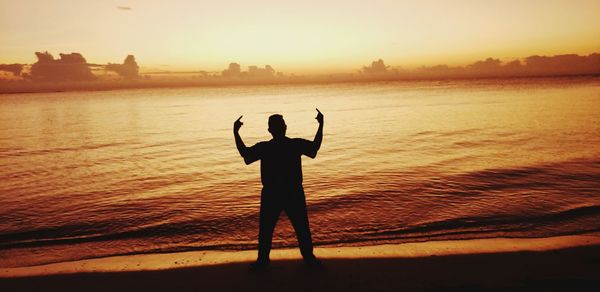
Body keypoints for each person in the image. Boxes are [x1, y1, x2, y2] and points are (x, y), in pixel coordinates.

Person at [233, 109, 324, 270]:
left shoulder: (266, 147)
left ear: (270, 130)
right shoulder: (293, 144)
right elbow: (314, 149)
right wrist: (321, 125)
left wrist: (235, 133)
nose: (283, 127)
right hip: (290, 192)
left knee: (268, 230)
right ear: (284, 128)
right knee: (300, 228)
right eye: (282, 124)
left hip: (274, 193)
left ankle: (263, 262)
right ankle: (308, 259)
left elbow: (245, 155)